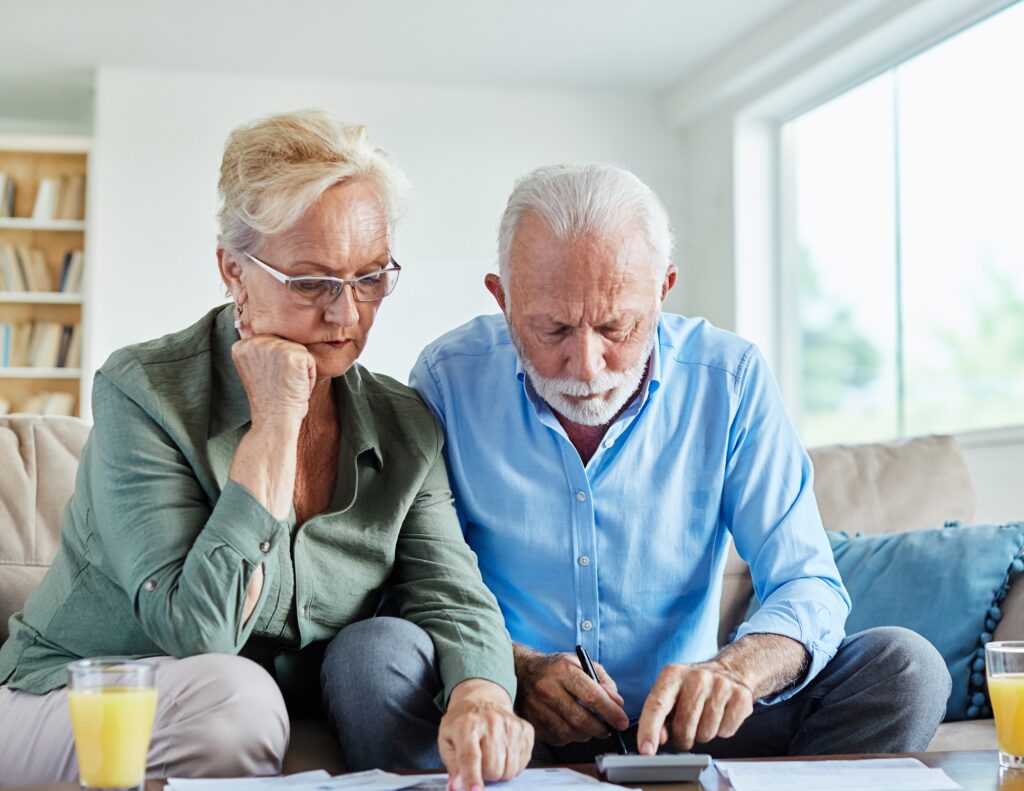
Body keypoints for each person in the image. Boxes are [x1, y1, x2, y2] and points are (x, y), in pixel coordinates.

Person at [0, 110, 532, 789]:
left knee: (280, 690)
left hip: (253, 709)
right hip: (76, 697)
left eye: (370, 278)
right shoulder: (143, 393)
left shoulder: (405, 425)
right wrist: (277, 422)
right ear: (234, 272)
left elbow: (452, 594)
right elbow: (198, 631)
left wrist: (482, 692)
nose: (346, 315)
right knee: (240, 701)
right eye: (312, 283)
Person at [410, 163, 951, 762]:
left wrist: (735, 672)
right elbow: (419, 581)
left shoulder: (731, 379)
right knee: (376, 657)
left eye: (617, 325)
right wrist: (517, 669)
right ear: (502, 297)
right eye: (552, 328)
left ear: (663, 289)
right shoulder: (446, 380)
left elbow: (807, 581)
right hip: (506, 717)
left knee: (905, 668)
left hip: (692, 727)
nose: (586, 366)